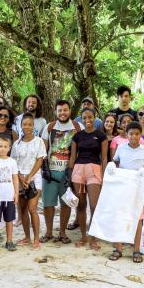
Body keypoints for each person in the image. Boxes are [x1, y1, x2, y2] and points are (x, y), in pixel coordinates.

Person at [110, 121, 144, 263]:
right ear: (126, 134)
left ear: (140, 135)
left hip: (138, 190)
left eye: (137, 134)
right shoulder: (121, 148)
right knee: (120, 217)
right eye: (131, 134)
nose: (134, 136)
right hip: (122, 188)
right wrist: (112, 167)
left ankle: (136, 250)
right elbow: (115, 163)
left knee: (138, 219)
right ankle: (118, 248)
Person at [40, 100, 83, 244]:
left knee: (66, 203)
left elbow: (82, 149)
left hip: (68, 172)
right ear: (55, 111)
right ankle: (49, 232)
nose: (62, 113)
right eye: (60, 110)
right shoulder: (49, 127)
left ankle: (63, 232)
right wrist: (44, 167)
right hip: (51, 172)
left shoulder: (77, 126)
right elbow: (43, 149)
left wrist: (72, 171)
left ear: (70, 110)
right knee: (48, 203)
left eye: (65, 110)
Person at [69, 108, 108, 251]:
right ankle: (83, 236)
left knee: (94, 206)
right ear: (81, 119)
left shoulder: (101, 135)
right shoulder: (77, 136)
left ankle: (93, 238)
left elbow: (104, 158)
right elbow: (73, 157)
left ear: (94, 117)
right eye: (84, 118)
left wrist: (104, 176)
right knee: (80, 205)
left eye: (90, 117)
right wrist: (69, 175)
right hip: (78, 170)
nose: (87, 120)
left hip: (94, 170)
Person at [11, 113, 46, 250]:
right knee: (23, 210)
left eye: (29, 124)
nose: (27, 127)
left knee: (32, 208)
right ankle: (27, 237)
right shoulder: (16, 144)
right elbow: (13, 162)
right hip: (19, 179)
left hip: (34, 178)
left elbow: (40, 160)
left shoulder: (39, 141)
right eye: (24, 124)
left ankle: (37, 239)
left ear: (33, 126)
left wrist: (29, 176)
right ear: (21, 126)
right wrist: (20, 177)